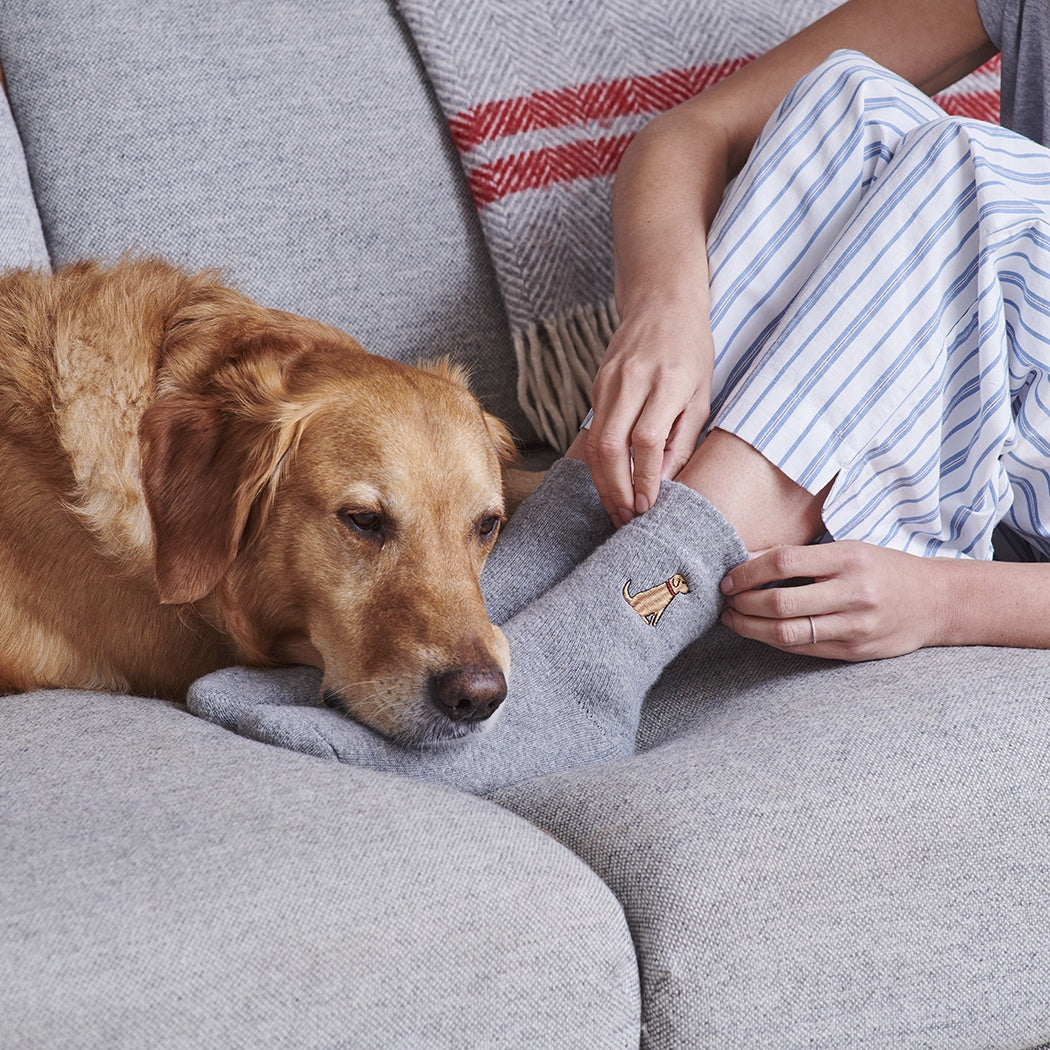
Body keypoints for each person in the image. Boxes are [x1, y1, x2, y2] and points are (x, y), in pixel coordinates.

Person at [189, 0, 1050, 793]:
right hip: (976, 403)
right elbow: (690, 133)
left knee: (971, 168)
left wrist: (947, 599)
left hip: (1013, 518)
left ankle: (588, 663)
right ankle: (506, 617)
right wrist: (663, 313)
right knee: (850, 104)